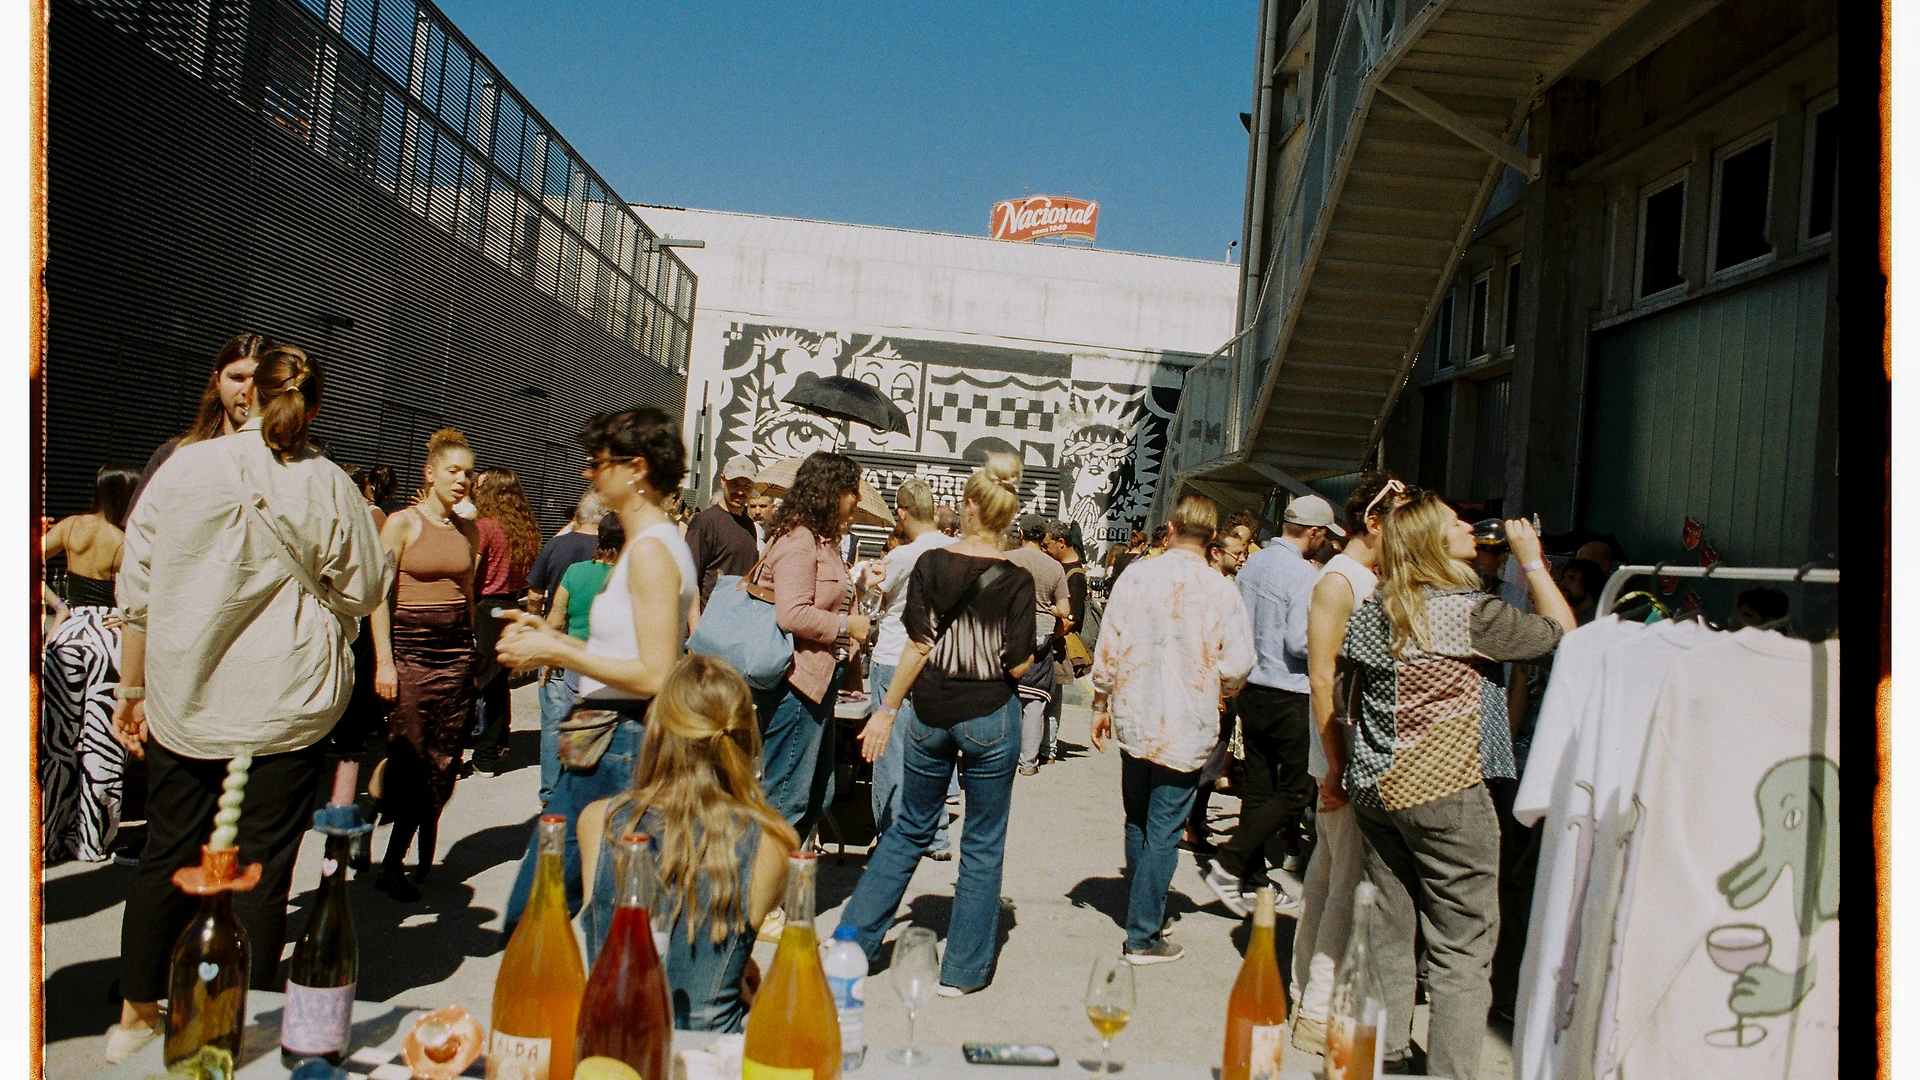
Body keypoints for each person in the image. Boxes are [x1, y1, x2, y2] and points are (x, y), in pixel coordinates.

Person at [106, 348, 386, 1062]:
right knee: (263, 865)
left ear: (246, 396)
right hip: (287, 694)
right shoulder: (328, 483)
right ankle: (238, 1019)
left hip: (186, 689)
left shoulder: (183, 467)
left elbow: (134, 592)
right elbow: (361, 589)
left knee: (169, 846)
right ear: (313, 407)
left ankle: (138, 1011)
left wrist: (131, 691)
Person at [1335, 494, 1575, 1079]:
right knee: (1463, 949)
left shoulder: (1377, 606)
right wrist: (1533, 561)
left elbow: (1349, 693)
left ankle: (1385, 1059)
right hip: (1446, 788)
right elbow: (1565, 635)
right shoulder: (1469, 612)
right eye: (1457, 523)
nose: (1472, 527)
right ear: (1433, 544)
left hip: (1375, 786)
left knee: (1390, 931)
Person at [495, 407, 696, 930]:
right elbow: (627, 648)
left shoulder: (652, 551)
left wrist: (556, 653)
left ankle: (586, 1009)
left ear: (637, 469)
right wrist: (551, 635)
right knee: (560, 911)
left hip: (620, 742)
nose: (588, 472)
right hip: (606, 740)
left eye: (598, 462)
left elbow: (655, 673)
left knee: (558, 915)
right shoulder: (647, 545)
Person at [846, 453, 1036, 994]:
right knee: (982, 844)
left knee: (908, 828)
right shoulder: (1017, 579)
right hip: (990, 718)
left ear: (971, 506)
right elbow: (1019, 664)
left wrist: (886, 711)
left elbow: (919, 644)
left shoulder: (931, 565)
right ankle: (963, 971)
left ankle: (851, 946)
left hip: (929, 711)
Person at [575, 655, 800, 1031]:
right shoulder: (776, 841)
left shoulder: (600, 823)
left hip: (610, 1045)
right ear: (746, 737)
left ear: (658, 730)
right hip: (710, 1054)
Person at [1088, 494, 1254, 965]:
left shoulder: (1137, 575)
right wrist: (1218, 682)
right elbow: (1239, 663)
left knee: (1138, 817)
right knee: (1164, 827)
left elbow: (1109, 646)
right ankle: (1143, 933)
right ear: (1213, 536)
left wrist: (1101, 701)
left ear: (1172, 526)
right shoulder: (1221, 589)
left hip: (1136, 712)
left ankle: (1143, 913)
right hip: (1188, 718)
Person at [1289, 473, 1409, 1055]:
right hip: (1344, 741)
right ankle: (1317, 1007)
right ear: (1376, 523)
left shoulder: (1357, 578)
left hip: (1343, 743)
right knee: (1344, 879)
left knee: (1329, 869)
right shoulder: (1342, 580)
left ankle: (1305, 994)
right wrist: (1336, 762)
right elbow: (1322, 676)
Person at [1202, 494, 1343, 917]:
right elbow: (1302, 642)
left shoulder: (1255, 563)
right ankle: (1231, 862)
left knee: (1259, 787)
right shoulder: (1304, 575)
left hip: (1252, 687)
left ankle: (1253, 876)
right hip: (1291, 690)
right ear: (1315, 532)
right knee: (1297, 788)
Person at [370, 430, 482, 901]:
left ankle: (417, 843)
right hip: (411, 654)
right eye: (453, 471)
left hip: (456, 656)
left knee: (444, 759)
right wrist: (385, 663)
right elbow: (377, 595)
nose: (462, 480)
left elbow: (469, 597)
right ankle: (388, 852)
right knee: (409, 757)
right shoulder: (401, 523)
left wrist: (472, 657)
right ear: (430, 473)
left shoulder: (469, 531)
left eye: (469, 473)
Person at [744, 452, 870, 842]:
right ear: (831, 493)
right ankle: (759, 892)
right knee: (786, 799)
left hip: (818, 684)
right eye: (852, 490)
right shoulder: (800, 540)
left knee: (816, 794)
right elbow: (792, 614)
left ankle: (772, 884)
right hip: (795, 685)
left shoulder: (823, 542)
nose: (857, 500)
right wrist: (848, 625)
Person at [40, 463, 142, 864]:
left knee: (57, 739)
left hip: (68, 629)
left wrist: (58, 606)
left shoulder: (71, 527)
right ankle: (91, 840)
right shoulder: (123, 542)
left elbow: (22, 559)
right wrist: (125, 614)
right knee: (101, 741)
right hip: (109, 635)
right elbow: (145, 594)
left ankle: (47, 839)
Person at [863, 478, 957, 861]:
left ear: (901, 513)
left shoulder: (901, 556)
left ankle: (894, 837)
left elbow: (874, 606)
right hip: (941, 662)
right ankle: (936, 836)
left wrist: (866, 584)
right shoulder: (957, 549)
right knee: (933, 751)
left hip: (893, 656)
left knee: (891, 751)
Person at [125, 332, 274, 516]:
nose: (248, 391)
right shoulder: (174, 455)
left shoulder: (293, 465)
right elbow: (138, 535)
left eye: (259, 380)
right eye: (237, 378)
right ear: (218, 380)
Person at [523, 491, 605, 804]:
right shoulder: (610, 553)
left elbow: (534, 595)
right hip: (591, 650)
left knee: (552, 724)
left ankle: (549, 792)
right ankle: (577, 791)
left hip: (555, 645)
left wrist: (536, 631)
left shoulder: (556, 545)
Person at [469, 467, 542, 774]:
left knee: (479, 679)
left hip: (485, 608)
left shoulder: (484, 527)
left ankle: (480, 749)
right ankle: (496, 745)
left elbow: (470, 572)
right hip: (509, 608)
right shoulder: (526, 529)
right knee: (498, 681)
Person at [1005, 518, 1071, 776]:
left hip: (1009, 632)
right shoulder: (1054, 567)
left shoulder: (1006, 558)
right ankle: (1029, 763)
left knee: (1007, 696)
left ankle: (1003, 758)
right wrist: (1048, 608)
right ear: (1043, 536)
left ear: (1020, 533)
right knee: (1034, 702)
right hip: (1041, 637)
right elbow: (1065, 609)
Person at [686, 456, 762, 625]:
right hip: (708, 627)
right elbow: (689, 580)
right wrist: (695, 631)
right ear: (722, 481)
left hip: (737, 626)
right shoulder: (704, 522)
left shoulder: (749, 525)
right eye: (734, 483)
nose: (740, 491)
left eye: (746, 485)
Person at [1040, 520, 1088, 763]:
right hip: (1054, 640)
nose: (1044, 549)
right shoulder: (1062, 568)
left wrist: (1046, 637)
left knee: (1053, 696)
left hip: (1058, 644)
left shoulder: (1075, 576)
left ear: (1062, 542)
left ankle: (1048, 748)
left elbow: (1070, 620)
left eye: (1048, 545)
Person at [546, 515, 625, 644]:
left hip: (576, 656)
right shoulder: (632, 576)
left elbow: (555, 622)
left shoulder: (574, 571)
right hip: (616, 658)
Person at [1555, 557, 1606, 626]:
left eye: (1572, 578)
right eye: (1563, 578)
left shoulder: (1596, 622)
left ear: (1588, 584)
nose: (1563, 583)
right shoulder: (1565, 617)